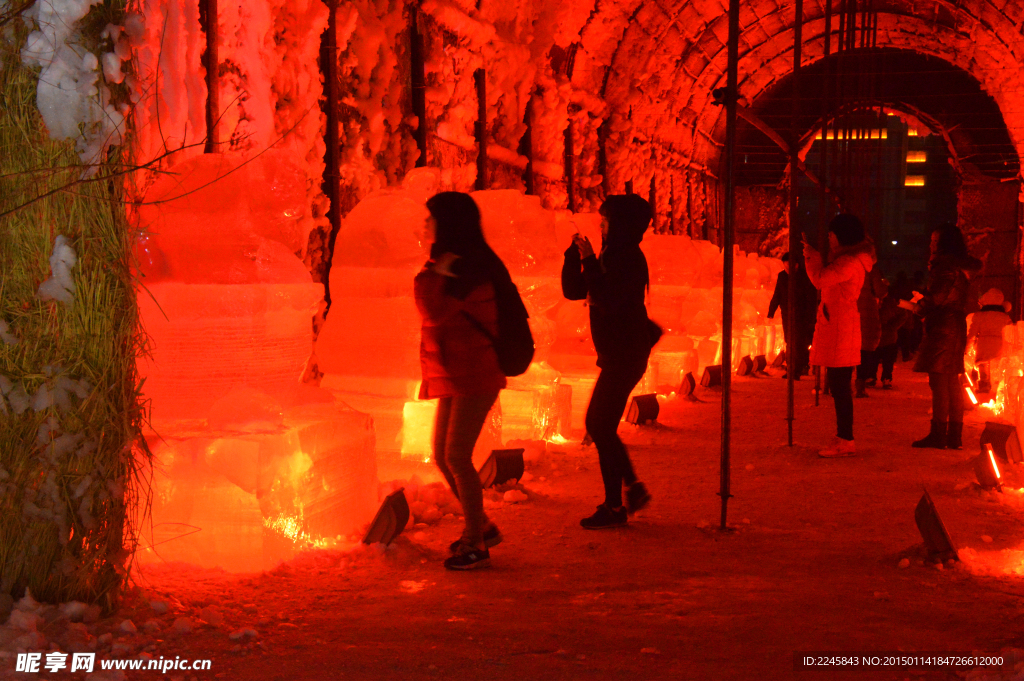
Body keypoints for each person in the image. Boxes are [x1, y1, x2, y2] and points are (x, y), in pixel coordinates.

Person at [415, 191, 510, 570]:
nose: (425, 226)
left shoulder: (464, 267)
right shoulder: (454, 262)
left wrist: (435, 273)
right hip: (458, 370)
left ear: (448, 224)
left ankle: (476, 542)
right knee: (441, 453)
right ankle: (481, 527)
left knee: (456, 455)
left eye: (430, 218)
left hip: (475, 371)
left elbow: (432, 310)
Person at [562, 194, 660, 529]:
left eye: (605, 222)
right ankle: (623, 497)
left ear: (620, 225)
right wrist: (572, 260)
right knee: (600, 425)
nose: (601, 227)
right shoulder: (611, 254)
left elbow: (606, 298)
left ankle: (622, 498)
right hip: (618, 353)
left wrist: (589, 261)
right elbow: (577, 291)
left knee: (598, 425)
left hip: (627, 353)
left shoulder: (629, 258)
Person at [802, 214, 876, 457]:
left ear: (841, 236)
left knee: (840, 387)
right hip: (839, 326)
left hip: (840, 329)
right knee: (839, 386)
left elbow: (820, 279)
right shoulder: (849, 261)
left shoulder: (848, 263)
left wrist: (811, 256)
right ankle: (843, 436)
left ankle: (846, 439)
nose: (829, 239)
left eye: (832, 235)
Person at [911, 223, 982, 450]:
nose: (931, 245)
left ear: (944, 244)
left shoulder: (945, 266)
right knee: (951, 381)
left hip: (943, 326)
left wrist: (918, 306)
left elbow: (938, 297)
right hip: (955, 324)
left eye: (934, 241)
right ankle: (954, 435)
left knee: (940, 380)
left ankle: (939, 433)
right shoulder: (959, 267)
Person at [767, 253, 817, 379]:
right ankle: (791, 368)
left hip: (801, 315)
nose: (789, 265)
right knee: (789, 342)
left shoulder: (804, 277)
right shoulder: (782, 276)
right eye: (786, 263)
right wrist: (770, 312)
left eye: (791, 263)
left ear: (797, 264)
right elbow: (777, 294)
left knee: (799, 343)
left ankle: (798, 369)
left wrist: (810, 316)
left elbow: (810, 298)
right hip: (787, 315)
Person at [967, 288, 1012, 394]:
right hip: (1000, 345)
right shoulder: (1005, 317)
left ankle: (984, 387)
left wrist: (967, 348)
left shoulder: (979, 316)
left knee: (983, 366)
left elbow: (972, 334)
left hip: (983, 345)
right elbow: (1010, 333)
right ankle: (998, 391)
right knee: (997, 369)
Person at [855, 255, 885, 396]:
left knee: (848, 350)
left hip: (850, 311)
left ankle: (842, 385)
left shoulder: (847, 266)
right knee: (864, 350)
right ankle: (860, 385)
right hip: (867, 313)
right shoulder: (871, 270)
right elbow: (880, 291)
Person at [872, 286, 912, 389]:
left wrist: (892, 326)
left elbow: (903, 314)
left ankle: (886, 378)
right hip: (873, 336)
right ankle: (871, 377)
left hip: (889, 338)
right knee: (872, 360)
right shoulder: (871, 301)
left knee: (888, 361)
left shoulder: (891, 303)